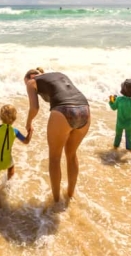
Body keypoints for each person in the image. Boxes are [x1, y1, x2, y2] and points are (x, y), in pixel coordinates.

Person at [24, 67, 90, 202]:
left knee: (54, 158)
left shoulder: (31, 82)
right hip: (85, 109)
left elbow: (34, 108)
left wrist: (29, 123)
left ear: (31, 76)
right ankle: (70, 195)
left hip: (63, 110)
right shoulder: (59, 74)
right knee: (71, 155)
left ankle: (56, 201)